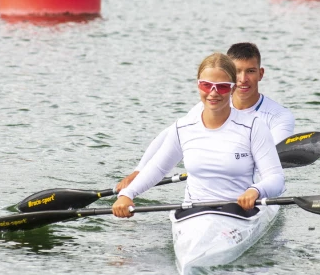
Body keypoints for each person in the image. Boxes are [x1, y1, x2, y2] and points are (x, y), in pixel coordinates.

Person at [112, 53, 285, 218]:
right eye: (206, 85)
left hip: (239, 212)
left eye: (222, 86)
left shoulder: (253, 127)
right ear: (198, 85)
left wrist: (256, 190)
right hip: (193, 212)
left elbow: (276, 178)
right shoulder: (183, 127)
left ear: (233, 89)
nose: (213, 92)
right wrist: (127, 194)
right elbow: (158, 168)